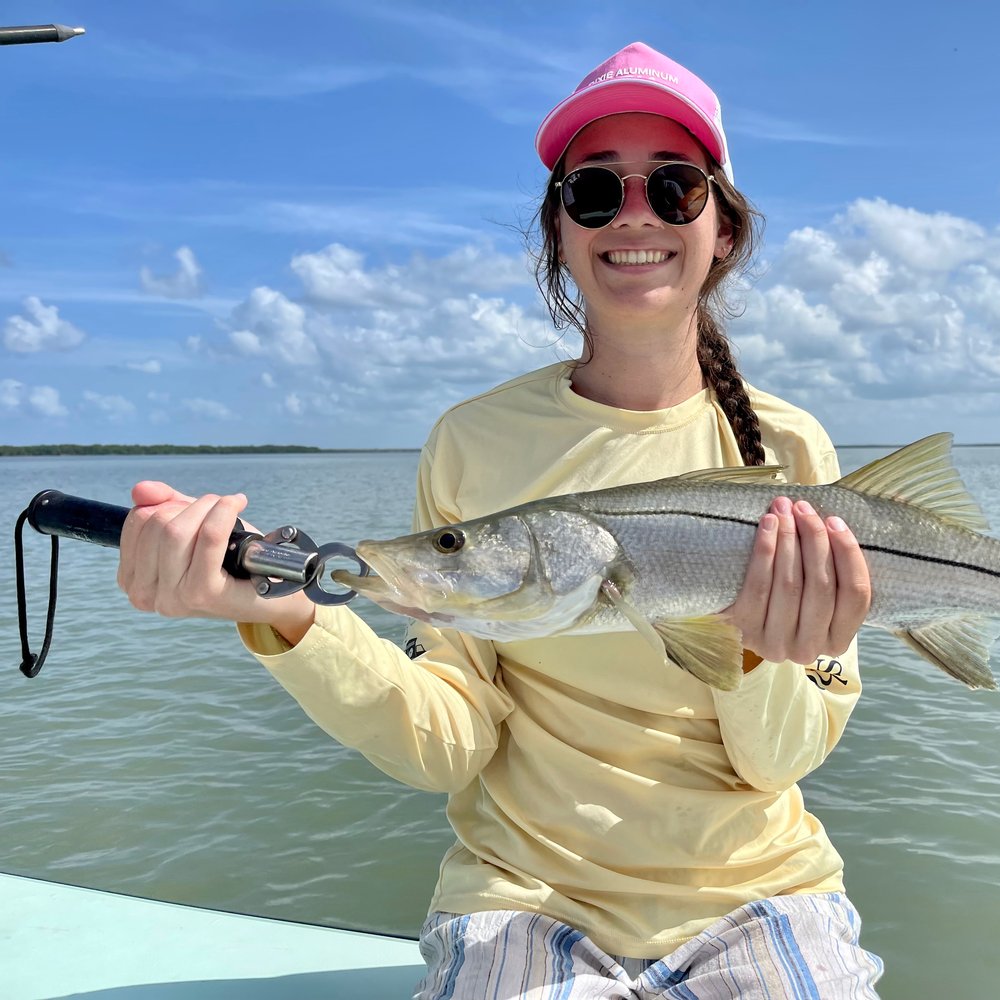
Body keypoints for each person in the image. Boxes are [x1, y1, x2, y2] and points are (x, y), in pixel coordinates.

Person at [117, 41, 885, 999]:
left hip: (758, 891)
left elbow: (784, 756)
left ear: (722, 228)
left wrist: (757, 655)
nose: (633, 214)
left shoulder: (791, 447)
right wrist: (289, 620)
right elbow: (450, 742)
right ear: (558, 230)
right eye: (595, 192)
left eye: (675, 188)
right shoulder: (471, 442)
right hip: (524, 894)